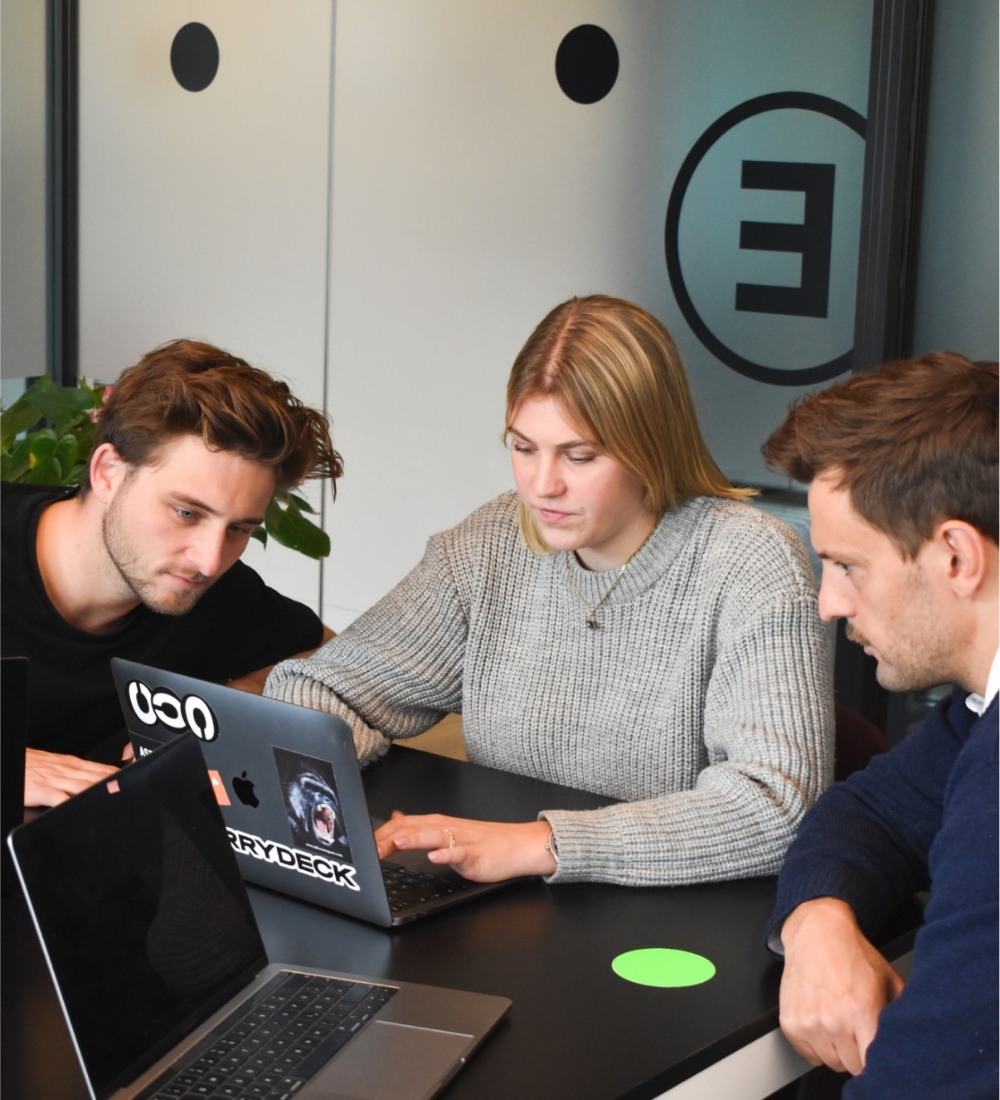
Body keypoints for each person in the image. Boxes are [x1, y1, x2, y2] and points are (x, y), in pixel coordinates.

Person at [265, 295, 833, 886]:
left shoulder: (749, 560)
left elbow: (777, 807)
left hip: (679, 914)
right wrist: (314, 806)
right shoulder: (493, 542)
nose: (542, 486)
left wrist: (544, 844)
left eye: (579, 456)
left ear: (651, 446)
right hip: (505, 898)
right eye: (523, 448)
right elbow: (322, 687)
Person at [760, 353, 998, 1098]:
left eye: (847, 565)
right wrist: (818, 919)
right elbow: (875, 808)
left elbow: (923, 1084)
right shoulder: (978, 713)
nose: (829, 604)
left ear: (956, 556)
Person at [2, 339, 342, 808]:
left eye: (239, 528)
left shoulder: (211, 593)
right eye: (186, 513)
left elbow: (334, 659)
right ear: (108, 472)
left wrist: (222, 705)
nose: (208, 561)